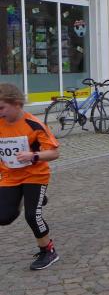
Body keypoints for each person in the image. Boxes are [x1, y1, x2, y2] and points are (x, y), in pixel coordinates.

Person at [0, 83, 60, 270]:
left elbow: (54, 152)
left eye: (2, 108)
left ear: (17, 104)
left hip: (35, 175)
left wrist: (33, 156)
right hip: (10, 175)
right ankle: (28, 197)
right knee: (4, 217)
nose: (0, 112)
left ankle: (48, 251)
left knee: (32, 215)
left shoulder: (33, 124)